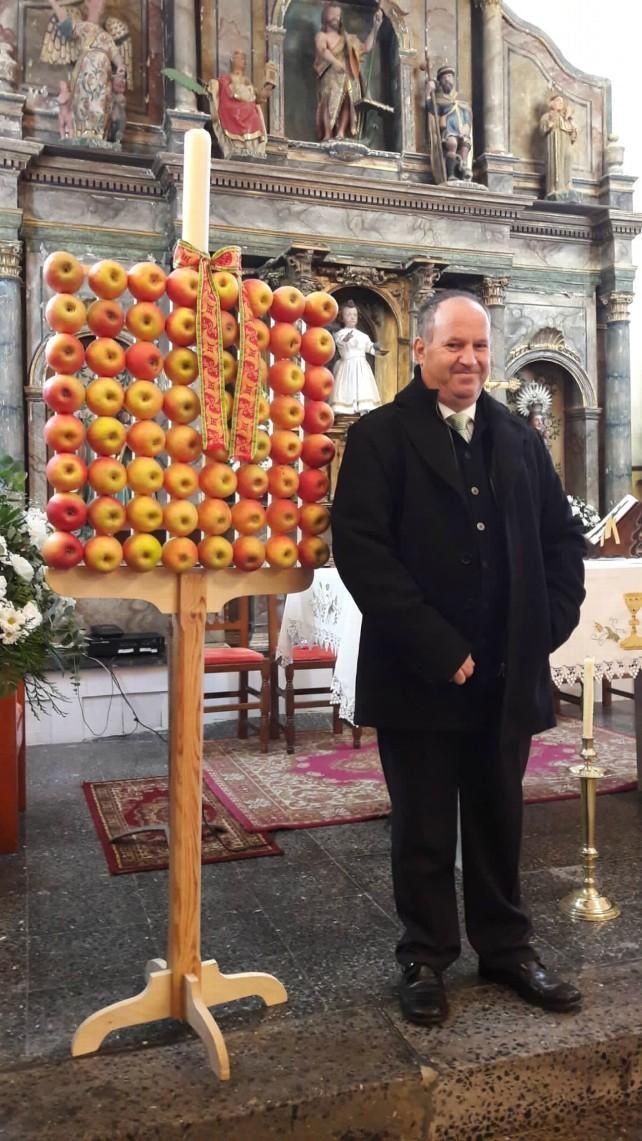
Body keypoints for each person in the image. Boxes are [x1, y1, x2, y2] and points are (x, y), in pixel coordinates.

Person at [331, 291, 586, 1026]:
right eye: (453, 346)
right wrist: (439, 647)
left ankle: (506, 947)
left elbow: (559, 544)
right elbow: (363, 551)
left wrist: (545, 625)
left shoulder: (518, 437)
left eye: (478, 346)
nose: (469, 359)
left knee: (501, 816)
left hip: (505, 673)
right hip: (417, 672)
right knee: (422, 824)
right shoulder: (381, 436)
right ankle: (425, 955)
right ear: (419, 349)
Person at [43, 0, 128, 144]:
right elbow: (66, 26)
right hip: (86, 72)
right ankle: (82, 133)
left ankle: (98, 136)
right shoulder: (82, 27)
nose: (102, 4)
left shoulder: (107, 37)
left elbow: (116, 55)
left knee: (101, 105)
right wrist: (55, 4)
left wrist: (120, 66)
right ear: (88, 3)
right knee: (84, 102)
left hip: (103, 77)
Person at [314, 2, 382, 142]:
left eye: (338, 16)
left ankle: (340, 132)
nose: (336, 18)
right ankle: (327, 134)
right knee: (327, 103)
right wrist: (336, 62)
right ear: (325, 16)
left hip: (349, 76)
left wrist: (376, 27)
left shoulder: (348, 38)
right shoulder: (322, 36)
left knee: (348, 102)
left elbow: (366, 47)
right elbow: (322, 50)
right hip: (331, 76)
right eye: (332, 15)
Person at [208, 52, 276, 159]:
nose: (243, 62)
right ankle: (237, 147)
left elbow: (256, 95)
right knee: (240, 110)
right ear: (233, 60)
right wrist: (233, 94)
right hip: (231, 103)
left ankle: (251, 148)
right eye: (240, 59)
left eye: (244, 59)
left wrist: (267, 87)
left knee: (253, 114)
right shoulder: (228, 77)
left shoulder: (246, 79)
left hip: (246, 104)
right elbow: (224, 89)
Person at [331, 300, 383, 415]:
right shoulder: (340, 333)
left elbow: (369, 349)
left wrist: (376, 347)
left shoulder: (363, 336)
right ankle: (345, 409)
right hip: (347, 366)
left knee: (362, 388)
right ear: (342, 317)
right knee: (346, 388)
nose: (352, 318)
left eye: (354, 315)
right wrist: (346, 339)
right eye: (348, 315)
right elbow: (340, 343)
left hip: (362, 366)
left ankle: (363, 409)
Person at [427, 65, 473, 181]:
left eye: (449, 76)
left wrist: (467, 126)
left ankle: (464, 172)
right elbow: (432, 110)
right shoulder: (439, 99)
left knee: (465, 146)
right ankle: (451, 174)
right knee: (452, 144)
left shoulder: (460, 99)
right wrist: (428, 93)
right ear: (440, 82)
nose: (447, 79)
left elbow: (467, 113)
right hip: (449, 128)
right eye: (444, 78)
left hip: (462, 129)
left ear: (453, 79)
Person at [539, 91, 578, 200]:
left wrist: (569, 120)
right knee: (556, 163)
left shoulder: (565, 117)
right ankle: (556, 187)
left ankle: (567, 184)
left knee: (568, 159)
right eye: (557, 101)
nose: (560, 103)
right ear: (551, 103)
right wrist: (549, 124)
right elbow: (542, 129)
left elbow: (572, 132)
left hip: (565, 142)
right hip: (554, 143)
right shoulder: (547, 116)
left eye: (562, 101)